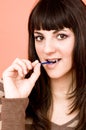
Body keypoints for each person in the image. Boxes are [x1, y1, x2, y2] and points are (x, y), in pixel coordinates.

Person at [0, 0, 86, 129]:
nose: (47, 49)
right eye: (39, 37)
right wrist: (14, 104)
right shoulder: (7, 90)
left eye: (61, 36)